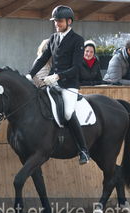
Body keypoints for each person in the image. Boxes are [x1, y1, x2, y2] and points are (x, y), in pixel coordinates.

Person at [26, 5, 90, 165]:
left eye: (59, 21)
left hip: (69, 84)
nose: (56, 24)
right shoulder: (53, 38)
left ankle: (83, 150)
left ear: (69, 21)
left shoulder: (77, 40)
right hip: (52, 82)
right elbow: (43, 58)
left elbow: (76, 67)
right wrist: (30, 74)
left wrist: (57, 76)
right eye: (55, 21)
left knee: (68, 113)